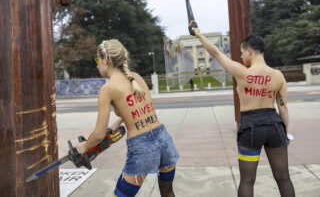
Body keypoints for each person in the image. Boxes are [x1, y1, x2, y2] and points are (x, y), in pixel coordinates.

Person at [193, 28, 295, 197]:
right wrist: (285, 133)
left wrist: (198, 33)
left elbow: (215, 52)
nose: (241, 57)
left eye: (242, 53)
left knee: (247, 180)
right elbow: (283, 108)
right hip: (274, 125)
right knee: (284, 178)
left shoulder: (242, 73)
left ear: (249, 51)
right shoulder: (278, 76)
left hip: (250, 127)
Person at [75, 39, 179, 197]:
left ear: (106, 59)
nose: (96, 64)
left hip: (142, 147)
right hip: (163, 138)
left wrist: (84, 147)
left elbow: (98, 135)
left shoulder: (107, 88)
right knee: (168, 193)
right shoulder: (136, 77)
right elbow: (141, 106)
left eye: (97, 59)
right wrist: (119, 120)